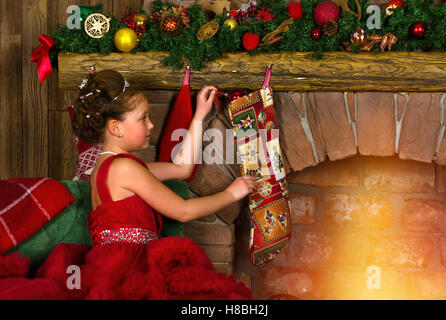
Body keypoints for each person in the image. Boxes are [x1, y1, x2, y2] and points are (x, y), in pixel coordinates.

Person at [0, 70, 256, 300]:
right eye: (143, 118)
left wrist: (199, 116)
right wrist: (232, 193)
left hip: (114, 262)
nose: (151, 125)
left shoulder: (109, 166)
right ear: (116, 128)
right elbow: (183, 211)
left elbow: (181, 169)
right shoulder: (125, 169)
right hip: (128, 268)